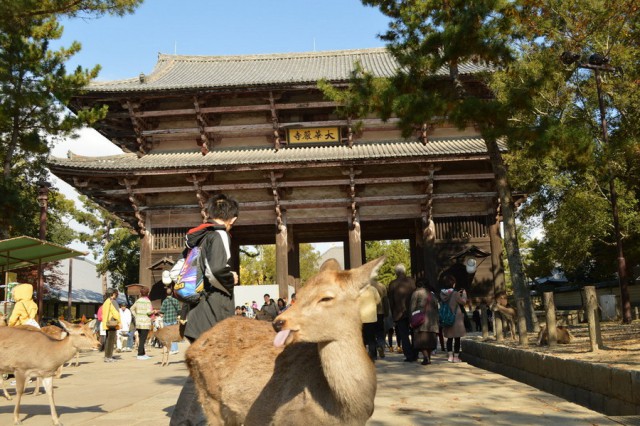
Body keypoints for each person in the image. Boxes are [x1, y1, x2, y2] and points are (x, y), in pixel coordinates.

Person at [170, 193, 239, 426]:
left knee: (204, 370)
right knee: (203, 372)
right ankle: (185, 422)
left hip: (195, 310)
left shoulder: (198, 237)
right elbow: (217, 269)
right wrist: (232, 279)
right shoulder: (219, 235)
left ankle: (195, 419)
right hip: (212, 310)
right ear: (233, 219)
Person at [388, 264, 418, 362]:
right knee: (414, 333)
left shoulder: (393, 284)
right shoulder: (412, 281)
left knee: (404, 335)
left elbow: (391, 301)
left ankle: (409, 355)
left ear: (396, 272)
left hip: (399, 312)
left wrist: (392, 314)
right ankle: (415, 353)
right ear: (404, 271)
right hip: (413, 311)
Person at [410, 280, 439, 365]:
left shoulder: (416, 293)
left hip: (421, 321)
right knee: (430, 342)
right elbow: (437, 307)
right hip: (432, 322)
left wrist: (411, 319)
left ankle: (426, 357)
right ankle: (428, 357)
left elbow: (412, 307)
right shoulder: (432, 294)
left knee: (421, 341)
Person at [440, 275, 468, 363]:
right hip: (455, 319)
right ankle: (456, 357)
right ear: (453, 284)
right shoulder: (455, 294)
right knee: (457, 338)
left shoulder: (442, 293)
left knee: (449, 338)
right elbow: (463, 302)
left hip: (446, 318)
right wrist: (464, 294)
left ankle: (450, 356)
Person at [359, 281, 381, 361]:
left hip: (360, 318)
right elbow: (378, 300)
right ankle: (373, 355)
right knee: (371, 338)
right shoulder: (373, 289)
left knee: (362, 339)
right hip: (371, 317)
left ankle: (363, 355)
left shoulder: (358, 291)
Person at [131, 286, 153, 360]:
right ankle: (140, 354)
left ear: (140, 293)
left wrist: (136, 316)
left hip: (138, 322)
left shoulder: (138, 301)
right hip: (145, 323)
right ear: (148, 293)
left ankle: (143, 353)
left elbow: (132, 309)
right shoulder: (148, 301)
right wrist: (154, 312)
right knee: (143, 339)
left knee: (141, 338)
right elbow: (148, 312)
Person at [370, 279, 390, 359]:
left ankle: (373, 353)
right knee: (380, 331)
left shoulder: (365, 286)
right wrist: (387, 311)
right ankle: (380, 345)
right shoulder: (381, 286)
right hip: (380, 312)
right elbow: (385, 300)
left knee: (371, 333)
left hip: (369, 313)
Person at [101, 288, 121, 363]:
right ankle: (109, 357)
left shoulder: (106, 302)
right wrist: (119, 322)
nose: (116, 295)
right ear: (113, 294)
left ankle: (107, 356)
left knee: (108, 340)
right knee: (111, 340)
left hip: (107, 323)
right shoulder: (113, 302)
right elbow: (115, 313)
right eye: (116, 294)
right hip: (112, 323)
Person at [161, 287, 181, 354]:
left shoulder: (164, 301)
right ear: (172, 293)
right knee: (174, 335)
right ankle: (175, 349)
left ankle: (170, 349)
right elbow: (179, 310)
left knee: (168, 336)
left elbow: (162, 311)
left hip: (166, 320)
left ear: (166, 294)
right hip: (174, 320)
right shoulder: (175, 301)